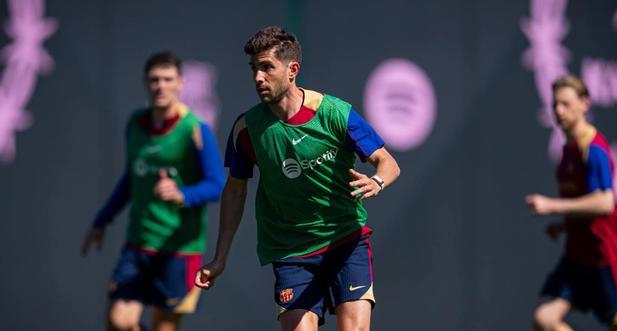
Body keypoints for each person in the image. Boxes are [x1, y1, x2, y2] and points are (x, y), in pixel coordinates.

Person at [195, 26, 400, 330]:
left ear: (293, 70)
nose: (258, 77)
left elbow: (388, 163)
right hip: (291, 252)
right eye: (254, 68)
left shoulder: (334, 113)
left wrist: (377, 181)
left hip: (345, 240)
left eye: (267, 67)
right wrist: (220, 258)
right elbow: (235, 191)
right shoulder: (247, 129)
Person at [81, 51, 225, 331]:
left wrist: (182, 194)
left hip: (178, 250)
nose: (161, 85)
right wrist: (102, 220)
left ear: (180, 83)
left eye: (168, 79)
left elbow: (216, 185)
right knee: (119, 321)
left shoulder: (194, 130)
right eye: (154, 79)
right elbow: (132, 179)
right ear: (146, 84)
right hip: (138, 244)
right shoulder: (136, 124)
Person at [526, 75, 617, 331]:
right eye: (555, 104)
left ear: (585, 104)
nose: (558, 111)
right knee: (545, 319)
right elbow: (585, 205)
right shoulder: (568, 150)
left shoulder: (594, 148)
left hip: (606, 258)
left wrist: (553, 206)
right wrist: (565, 225)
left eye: (566, 104)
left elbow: (604, 203)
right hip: (578, 258)